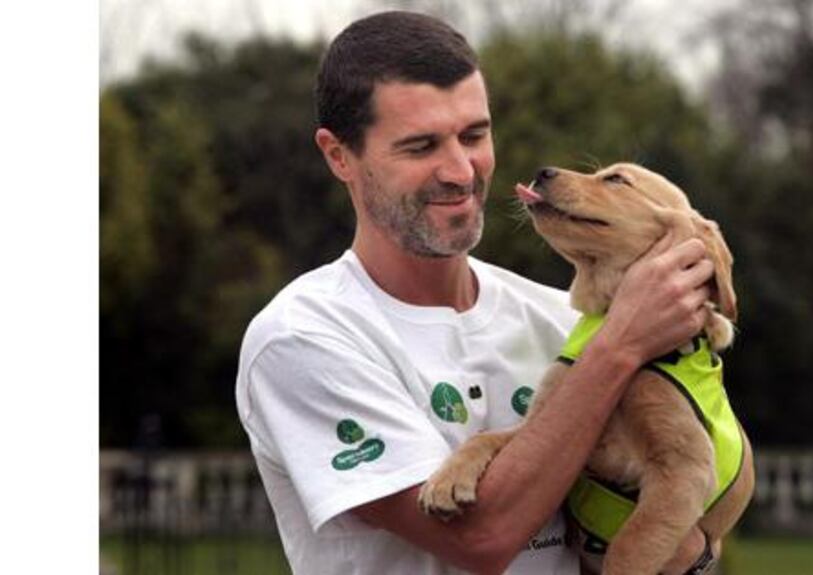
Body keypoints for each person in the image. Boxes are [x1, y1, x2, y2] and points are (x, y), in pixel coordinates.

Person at [235, 10, 716, 575]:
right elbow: (480, 537)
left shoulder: (562, 320)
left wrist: (697, 556)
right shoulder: (305, 336)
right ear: (339, 155)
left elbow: (688, 514)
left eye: (474, 135)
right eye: (420, 147)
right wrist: (621, 346)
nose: (461, 171)